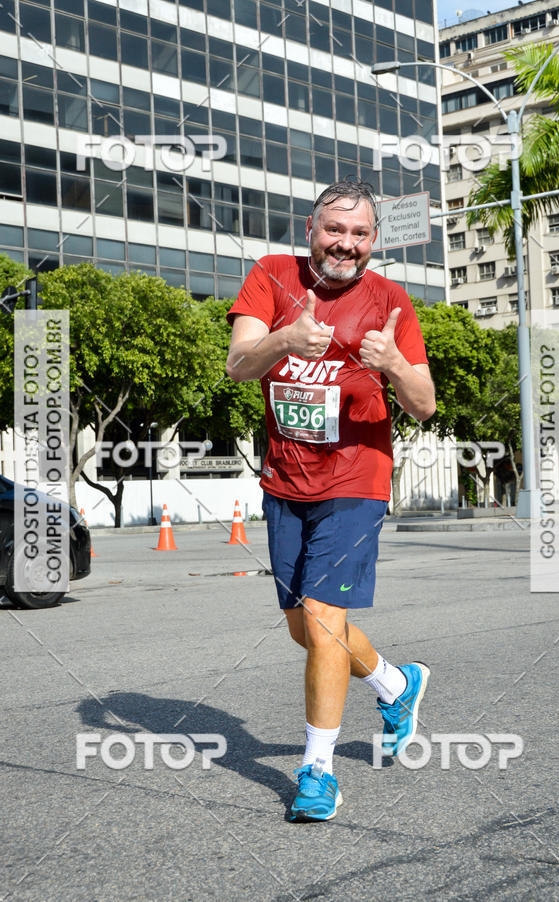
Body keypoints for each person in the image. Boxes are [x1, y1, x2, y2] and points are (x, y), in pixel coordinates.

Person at [226, 177, 436, 822]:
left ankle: (317, 772)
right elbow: (238, 363)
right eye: (334, 230)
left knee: (321, 619)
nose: (346, 244)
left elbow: (424, 406)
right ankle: (395, 686)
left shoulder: (390, 299)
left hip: (357, 478)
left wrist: (393, 365)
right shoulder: (271, 274)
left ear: (373, 241)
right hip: (286, 480)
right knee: (307, 627)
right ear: (310, 230)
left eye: (360, 234)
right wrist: (285, 340)